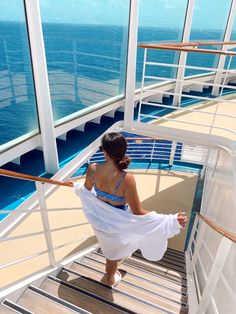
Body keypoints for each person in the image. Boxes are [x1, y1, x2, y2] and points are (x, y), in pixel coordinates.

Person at [69, 132, 188, 287]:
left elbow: (86, 191)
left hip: (100, 221)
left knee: (110, 250)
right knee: (115, 252)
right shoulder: (126, 179)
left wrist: (75, 185)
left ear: (104, 151)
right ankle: (110, 278)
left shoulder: (93, 169)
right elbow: (137, 211)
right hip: (119, 224)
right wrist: (169, 220)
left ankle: (111, 274)